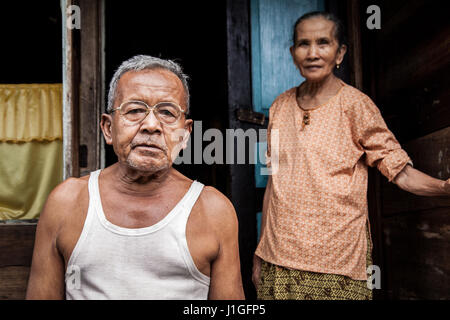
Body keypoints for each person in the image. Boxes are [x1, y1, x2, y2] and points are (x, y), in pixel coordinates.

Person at [252, 12, 450, 300]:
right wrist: (260, 253)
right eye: (303, 44)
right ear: (293, 54)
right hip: (278, 256)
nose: (312, 53)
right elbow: (274, 183)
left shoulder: (356, 105)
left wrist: (443, 188)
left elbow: (399, 170)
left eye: (323, 43)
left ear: (340, 52)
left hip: (336, 258)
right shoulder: (279, 107)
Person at [26, 55, 245, 300]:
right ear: (108, 128)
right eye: (135, 110)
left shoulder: (214, 210)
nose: (151, 125)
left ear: (184, 135)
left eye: (167, 113)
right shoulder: (66, 202)